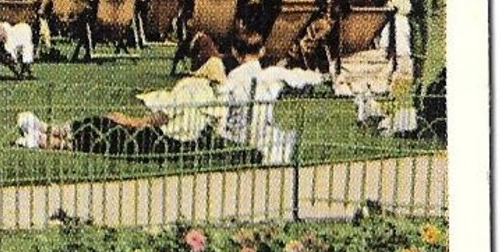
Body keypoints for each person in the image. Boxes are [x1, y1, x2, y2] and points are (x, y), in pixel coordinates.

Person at [16, 33, 227, 155]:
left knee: (111, 128)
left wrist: (129, 121)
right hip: (178, 142)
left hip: (168, 139)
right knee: (107, 125)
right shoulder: (216, 92)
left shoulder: (191, 86)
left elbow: (161, 116)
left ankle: (46, 138)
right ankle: (46, 131)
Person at [217, 31, 323, 164]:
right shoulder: (272, 74)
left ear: (234, 51)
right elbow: (303, 78)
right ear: (262, 51)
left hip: (237, 136)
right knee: (284, 136)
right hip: (262, 134)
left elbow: (222, 107)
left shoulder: (233, 77)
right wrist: (320, 77)